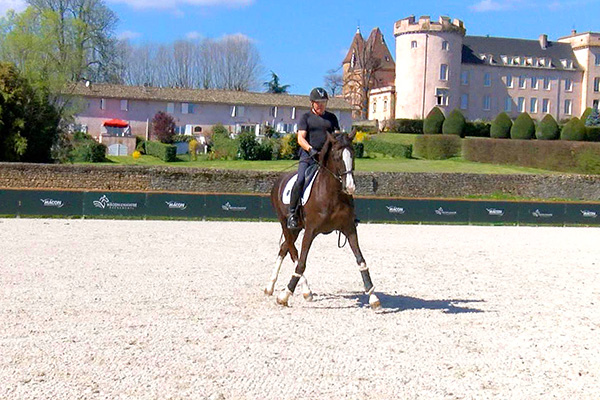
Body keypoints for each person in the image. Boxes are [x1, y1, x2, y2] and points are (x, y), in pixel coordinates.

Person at [287, 87, 340, 229]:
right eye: (318, 102)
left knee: (342, 179)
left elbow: (336, 137)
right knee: (301, 179)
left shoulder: (332, 118)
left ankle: (348, 214)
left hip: (327, 157)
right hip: (309, 156)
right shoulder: (306, 118)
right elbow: (300, 138)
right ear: (312, 103)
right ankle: (292, 213)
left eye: (323, 102)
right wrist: (310, 150)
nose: (321, 105)